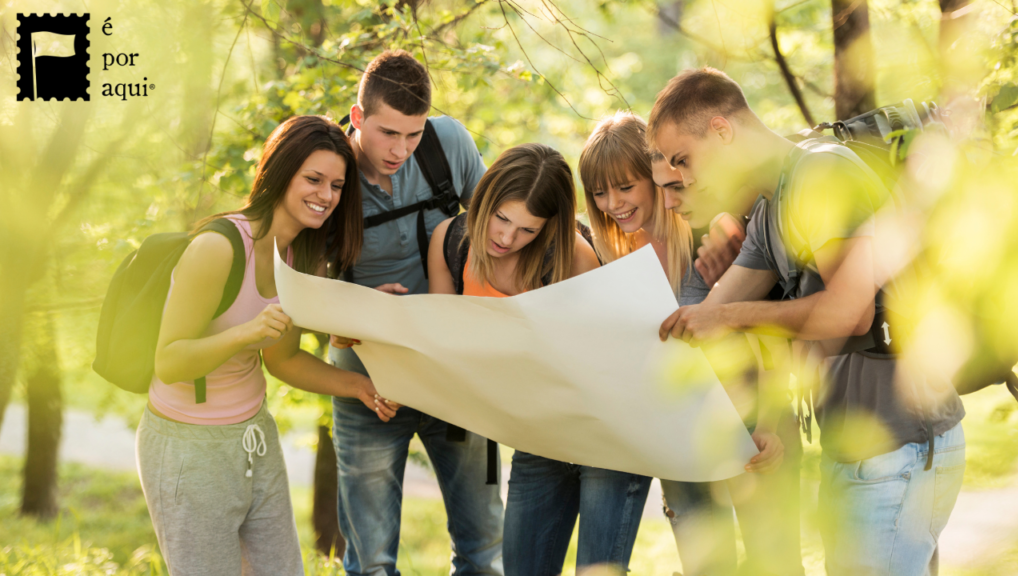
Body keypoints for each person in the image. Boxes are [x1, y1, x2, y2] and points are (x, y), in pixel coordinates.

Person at [649, 67, 965, 576]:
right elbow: (704, 321)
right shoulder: (771, 209)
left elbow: (848, 311)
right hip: (854, 453)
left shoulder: (821, 175)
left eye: (683, 160)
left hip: (900, 447)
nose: (683, 180)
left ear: (722, 130)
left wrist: (726, 317)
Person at [138, 115, 397, 576]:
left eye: (337, 185)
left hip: (254, 439)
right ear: (280, 173)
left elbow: (284, 360)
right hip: (186, 446)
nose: (325, 196)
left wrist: (358, 385)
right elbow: (169, 360)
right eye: (313, 179)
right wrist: (245, 334)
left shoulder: (299, 255)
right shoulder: (217, 249)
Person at [579, 111, 804, 575]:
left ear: (655, 178)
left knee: (775, 565)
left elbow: (769, 335)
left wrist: (773, 425)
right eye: (599, 192)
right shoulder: (615, 257)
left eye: (624, 187)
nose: (612, 204)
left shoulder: (713, 234)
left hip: (754, 429)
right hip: (683, 443)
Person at [427, 143, 647, 576]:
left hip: (606, 438)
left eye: (527, 230)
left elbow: (605, 360)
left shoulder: (570, 256)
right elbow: (443, 344)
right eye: (501, 218)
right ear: (484, 198)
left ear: (548, 227)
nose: (507, 238)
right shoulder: (450, 241)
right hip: (538, 439)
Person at [327, 49, 504, 575]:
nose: (401, 149)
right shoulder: (327, 170)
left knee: (485, 547)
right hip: (368, 384)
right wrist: (355, 313)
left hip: (457, 375)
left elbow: (505, 230)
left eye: (413, 134)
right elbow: (297, 281)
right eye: (387, 133)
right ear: (358, 118)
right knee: (370, 560)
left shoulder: (448, 142)